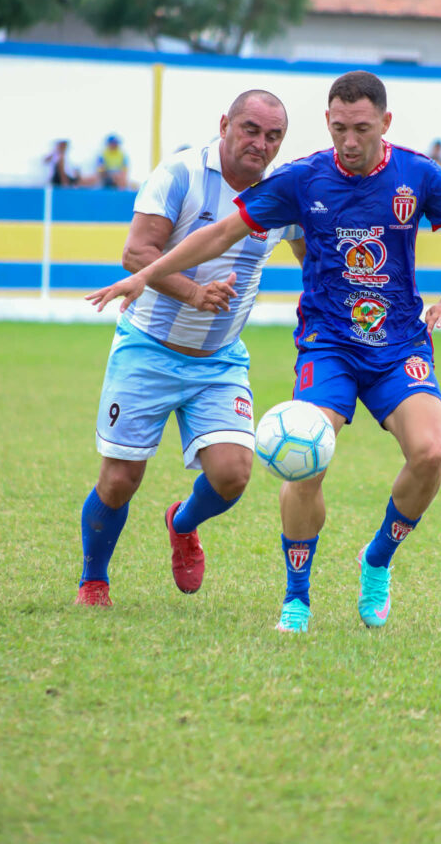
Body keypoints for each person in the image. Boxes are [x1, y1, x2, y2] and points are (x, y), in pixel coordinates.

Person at [88, 71, 441, 632]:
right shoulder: (301, 179)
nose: (349, 140)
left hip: (399, 345)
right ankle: (296, 599)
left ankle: (377, 559)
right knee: (306, 455)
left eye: (362, 128)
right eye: (339, 127)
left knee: (430, 455)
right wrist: (144, 276)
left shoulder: (420, 174)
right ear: (327, 122)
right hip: (328, 345)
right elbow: (220, 234)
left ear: (386, 123)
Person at [75, 90, 304, 607]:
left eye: (273, 136)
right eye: (250, 129)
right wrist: (194, 294)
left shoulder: (281, 193)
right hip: (148, 349)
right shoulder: (180, 174)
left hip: (220, 360)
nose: (260, 143)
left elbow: (311, 257)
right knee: (120, 479)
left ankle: (181, 523)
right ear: (224, 124)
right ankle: (94, 580)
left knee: (233, 475)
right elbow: (137, 253)